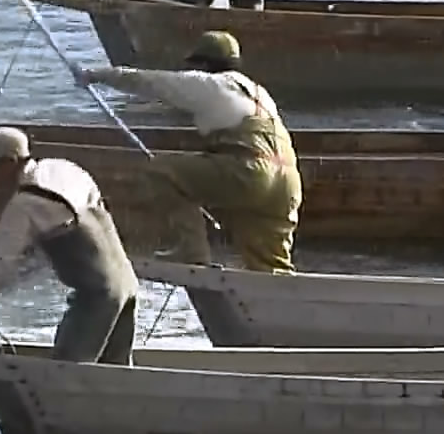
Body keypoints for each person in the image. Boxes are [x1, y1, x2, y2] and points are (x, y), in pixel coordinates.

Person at [73, 30, 302, 273]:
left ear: (203, 64)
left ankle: (191, 252)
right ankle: (280, 303)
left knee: (161, 170)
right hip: (287, 184)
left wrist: (95, 75)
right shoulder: (259, 92)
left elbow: (147, 81)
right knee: (270, 266)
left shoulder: (209, 84)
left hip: (250, 173)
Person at [0, 127, 141, 365]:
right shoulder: (63, 168)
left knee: (66, 370)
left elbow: (1, 264)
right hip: (128, 287)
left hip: (97, 299)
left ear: (9, 162)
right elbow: (83, 216)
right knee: (116, 370)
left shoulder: (23, 205)